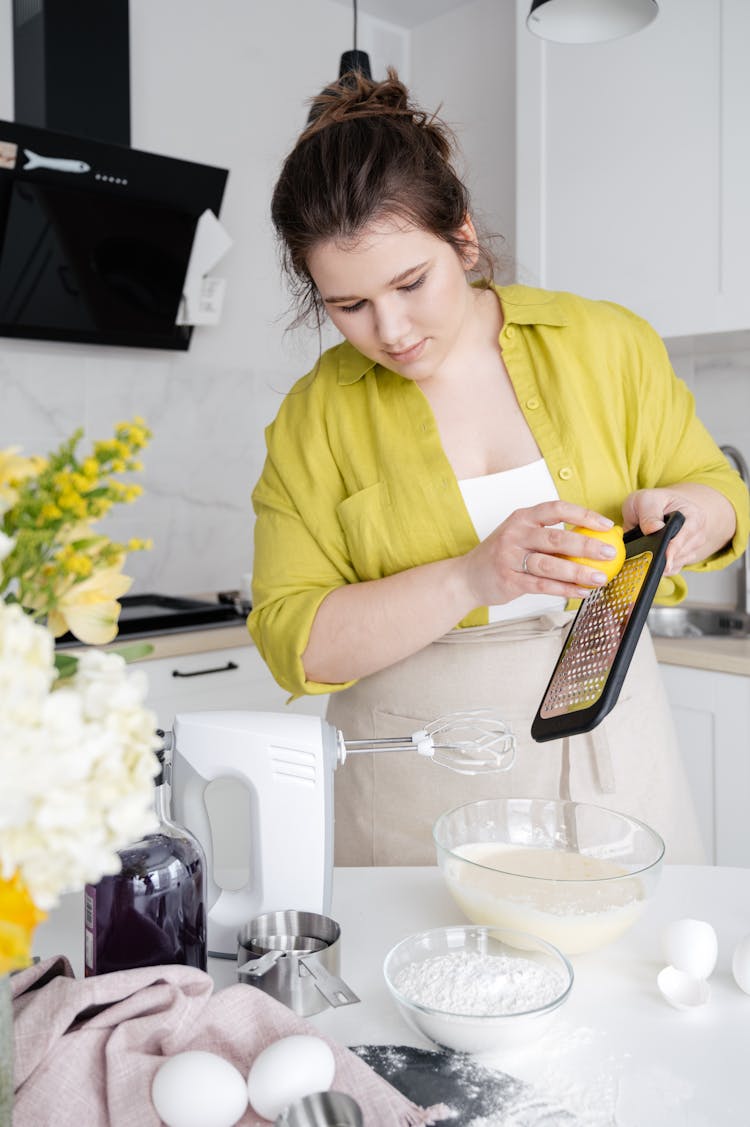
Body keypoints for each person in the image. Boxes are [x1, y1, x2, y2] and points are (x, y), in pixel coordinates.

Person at [248, 69, 750, 867]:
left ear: (466, 239)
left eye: (412, 282)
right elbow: (296, 642)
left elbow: (722, 494)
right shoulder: (313, 421)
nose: (392, 329)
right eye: (349, 306)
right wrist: (472, 577)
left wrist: (687, 514)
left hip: (613, 757)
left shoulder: (606, 343)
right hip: (415, 786)